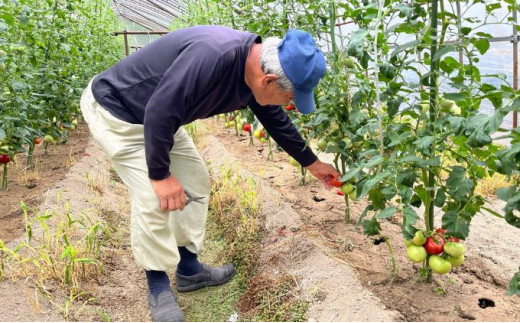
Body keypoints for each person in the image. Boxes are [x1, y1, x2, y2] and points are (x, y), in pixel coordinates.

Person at [80, 25, 341, 322]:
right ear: (269, 80)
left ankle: (190, 270)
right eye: (290, 96)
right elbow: (158, 111)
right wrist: (161, 175)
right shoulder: (213, 57)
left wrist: (312, 163)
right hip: (119, 113)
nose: (290, 104)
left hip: (161, 116)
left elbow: (275, 120)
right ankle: (157, 283)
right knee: (154, 197)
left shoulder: (253, 70)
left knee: (194, 178)